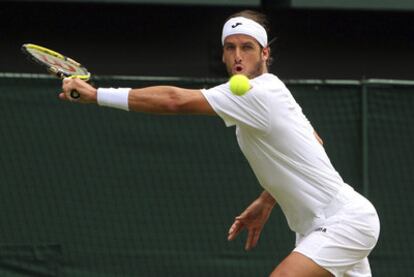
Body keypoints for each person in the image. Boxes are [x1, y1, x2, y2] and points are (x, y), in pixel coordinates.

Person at [60, 10, 380, 277]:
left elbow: (175, 101)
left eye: (247, 47)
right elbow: (316, 142)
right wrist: (268, 200)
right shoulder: (270, 94)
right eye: (230, 47)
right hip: (318, 226)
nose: (238, 56)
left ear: (264, 53)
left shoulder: (257, 93)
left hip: (342, 220)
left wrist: (97, 95)